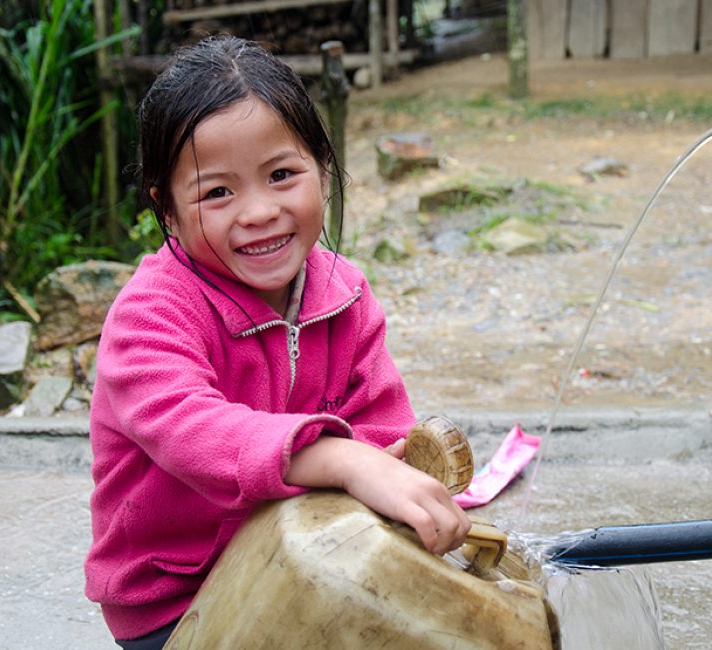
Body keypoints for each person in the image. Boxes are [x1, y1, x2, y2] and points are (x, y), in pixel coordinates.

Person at [84, 35, 471, 649]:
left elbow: (379, 431)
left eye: (282, 175)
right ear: (168, 208)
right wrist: (342, 461)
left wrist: (401, 480)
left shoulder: (343, 294)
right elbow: (197, 431)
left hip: (314, 556)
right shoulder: (149, 315)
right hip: (179, 600)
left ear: (323, 166)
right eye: (218, 192)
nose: (259, 211)